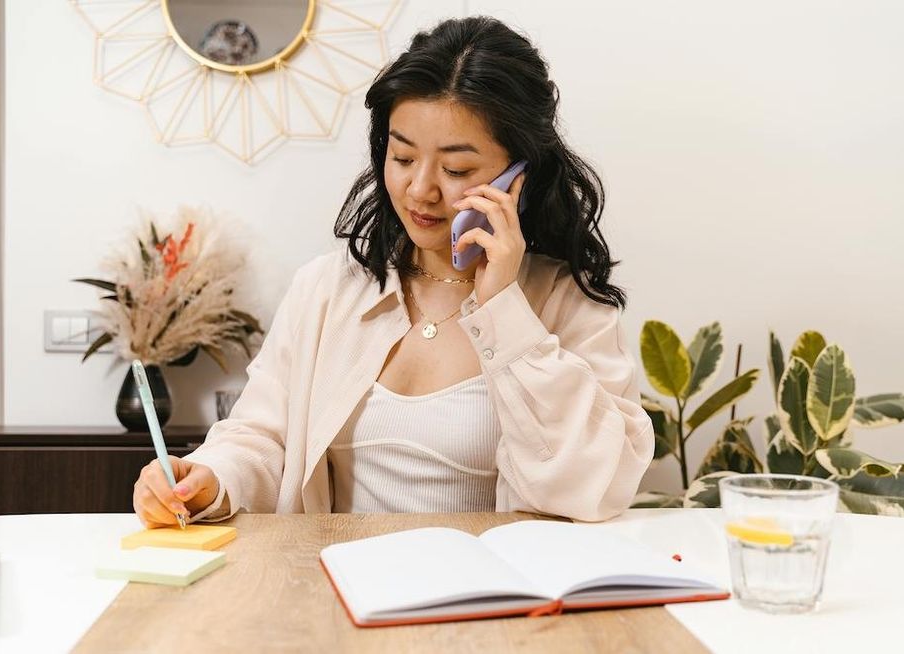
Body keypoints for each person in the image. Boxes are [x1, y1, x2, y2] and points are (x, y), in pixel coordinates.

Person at [132, 16, 655, 527]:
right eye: (403, 158)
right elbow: (262, 437)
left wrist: (504, 310)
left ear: (518, 175)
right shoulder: (327, 289)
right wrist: (208, 478)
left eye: (457, 169)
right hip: (343, 589)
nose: (421, 189)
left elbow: (595, 486)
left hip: (498, 601)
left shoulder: (567, 303)